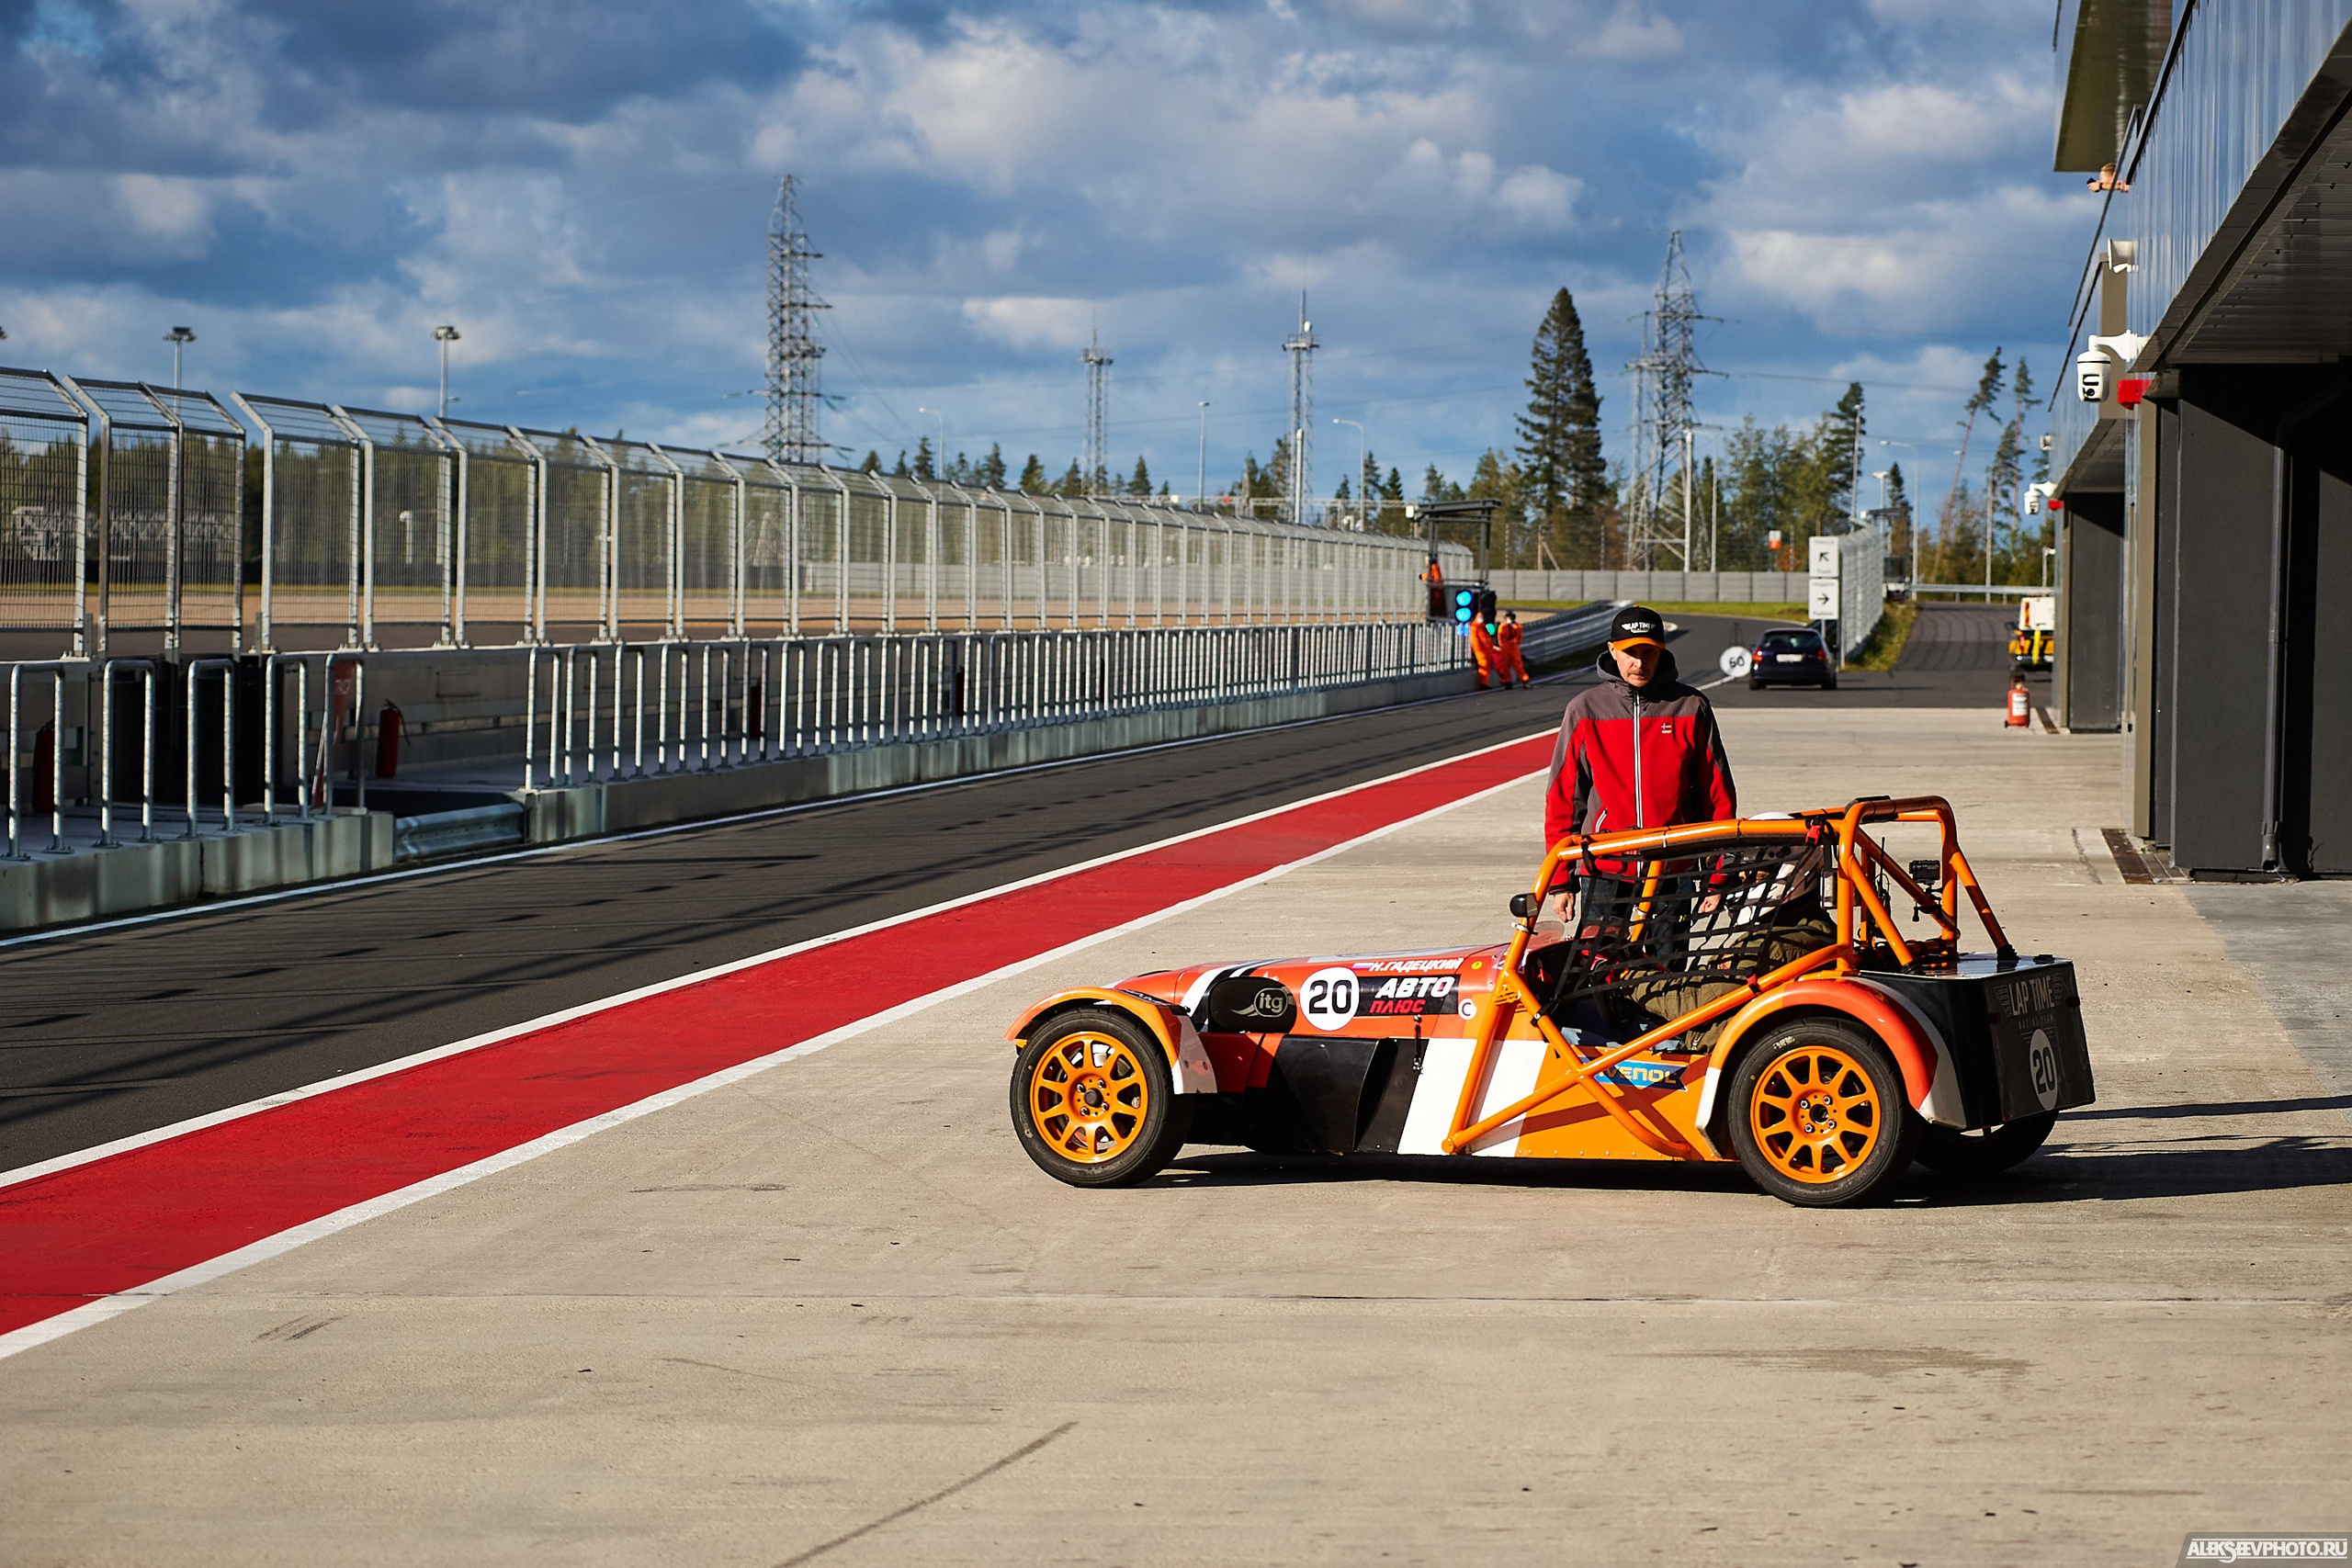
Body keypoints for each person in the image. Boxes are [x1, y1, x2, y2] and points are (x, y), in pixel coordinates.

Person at [1544, 604, 1736, 851]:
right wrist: (1561, 871)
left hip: (1675, 860)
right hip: (1605, 861)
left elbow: (1716, 792)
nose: (1639, 663)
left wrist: (1719, 864)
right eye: (1630, 652)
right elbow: (1563, 798)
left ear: (1662, 650)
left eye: (1648, 652)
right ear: (1612, 650)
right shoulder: (1584, 710)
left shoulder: (1690, 706)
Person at [1494, 610, 1529, 688]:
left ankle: (1525, 680)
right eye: (1508, 617)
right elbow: (1499, 637)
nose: (1509, 619)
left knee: (1518, 664)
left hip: (1514, 646)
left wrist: (1516, 644)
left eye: (1510, 617)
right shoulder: (1502, 626)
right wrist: (1502, 646)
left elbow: (1519, 637)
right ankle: (1507, 681)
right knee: (1505, 665)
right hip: (1505, 647)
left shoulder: (1517, 626)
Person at [1467, 613, 1497, 690]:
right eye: (1480, 617)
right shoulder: (1475, 626)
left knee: (1487, 666)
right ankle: (1483, 683)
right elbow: (1477, 639)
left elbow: (1487, 637)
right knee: (1484, 664)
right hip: (1480, 650)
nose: (1482, 618)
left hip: (1486, 649)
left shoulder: (1482, 626)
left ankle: (1485, 682)